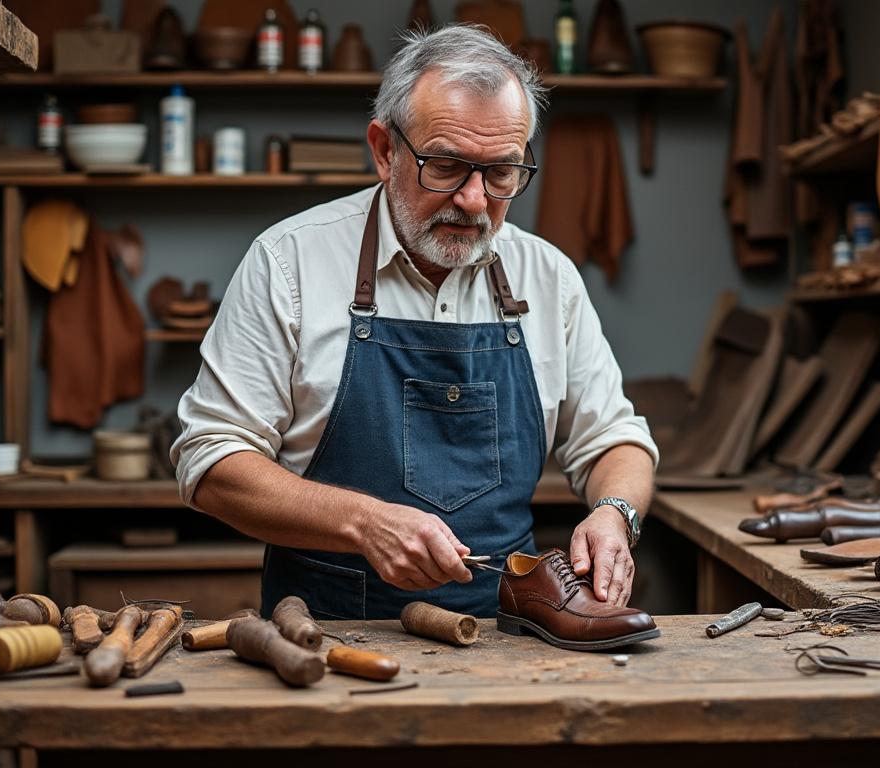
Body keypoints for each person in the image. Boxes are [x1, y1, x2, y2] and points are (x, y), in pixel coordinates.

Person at [171, 25, 657, 620]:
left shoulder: (547, 277)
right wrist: (362, 522)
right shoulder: (289, 262)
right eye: (447, 166)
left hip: (509, 638)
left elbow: (615, 440)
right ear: (384, 149)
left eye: (502, 172)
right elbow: (211, 460)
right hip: (330, 637)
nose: (475, 200)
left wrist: (615, 512)